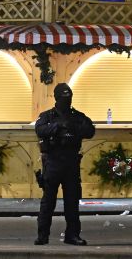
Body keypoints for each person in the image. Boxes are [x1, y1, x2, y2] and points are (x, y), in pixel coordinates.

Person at [34, 83, 95, 246]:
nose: (66, 102)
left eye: (69, 98)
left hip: (71, 162)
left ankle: (72, 235)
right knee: (48, 202)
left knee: (72, 201)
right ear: (56, 98)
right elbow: (39, 129)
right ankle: (43, 235)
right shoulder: (48, 116)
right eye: (63, 98)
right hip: (53, 161)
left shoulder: (77, 116)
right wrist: (58, 127)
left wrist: (73, 127)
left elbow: (90, 130)